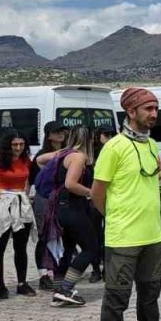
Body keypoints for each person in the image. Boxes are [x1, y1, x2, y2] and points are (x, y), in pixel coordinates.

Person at [91, 88, 161, 321]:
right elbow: (97, 193)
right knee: (117, 298)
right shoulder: (114, 147)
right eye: (147, 108)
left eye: (156, 108)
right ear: (130, 111)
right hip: (123, 238)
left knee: (150, 294)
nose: (154, 113)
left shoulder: (151, 144)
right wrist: (116, 219)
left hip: (152, 235)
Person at [48, 126, 104, 307]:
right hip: (73, 207)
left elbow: (40, 159)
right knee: (91, 248)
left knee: (67, 250)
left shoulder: (63, 154)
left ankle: (58, 291)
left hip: (59, 207)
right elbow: (71, 184)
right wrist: (91, 193)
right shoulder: (79, 156)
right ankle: (66, 287)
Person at [0, 130, 37, 300]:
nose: (18, 148)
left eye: (21, 144)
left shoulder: (25, 160)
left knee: (21, 247)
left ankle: (22, 283)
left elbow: (27, 178)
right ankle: (0, 285)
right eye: (15, 144)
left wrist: (26, 193)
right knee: (0, 246)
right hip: (2, 204)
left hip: (21, 202)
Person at [31, 120, 68, 289]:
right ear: (49, 135)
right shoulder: (42, 154)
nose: (61, 134)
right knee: (44, 236)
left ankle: (59, 269)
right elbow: (34, 177)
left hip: (62, 198)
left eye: (63, 130)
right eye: (57, 131)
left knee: (63, 235)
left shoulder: (69, 153)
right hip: (45, 198)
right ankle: (43, 273)